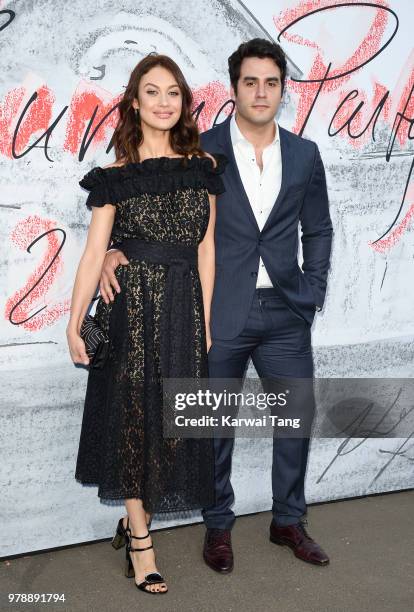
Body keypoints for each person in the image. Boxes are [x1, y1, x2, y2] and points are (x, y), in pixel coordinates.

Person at [99, 38, 333, 573]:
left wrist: (312, 290)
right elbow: (146, 208)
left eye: (271, 83)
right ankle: (218, 526)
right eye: (250, 82)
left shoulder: (305, 154)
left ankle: (288, 522)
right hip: (218, 310)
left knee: (295, 418)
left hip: (285, 313)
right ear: (234, 89)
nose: (260, 92)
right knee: (213, 424)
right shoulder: (199, 152)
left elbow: (318, 228)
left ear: (282, 90)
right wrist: (117, 250)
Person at [66, 53, 227, 594]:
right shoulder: (115, 176)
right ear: (134, 102)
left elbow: (207, 251)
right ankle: (142, 546)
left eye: (173, 92)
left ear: (184, 102)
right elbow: (93, 256)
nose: (163, 102)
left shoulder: (202, 165)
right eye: (152, 92)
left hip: (184, 308)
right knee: (134, 422)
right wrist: (72, 323)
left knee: (172, 428)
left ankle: (132, 518)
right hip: (130, 311)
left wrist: (205, 322)